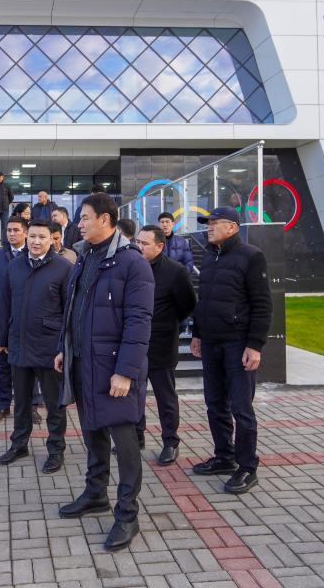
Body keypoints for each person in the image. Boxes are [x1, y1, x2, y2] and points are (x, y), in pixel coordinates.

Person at [55, 193, 154, 552]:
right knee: (93, 432)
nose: (78, 224)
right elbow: (72, 311)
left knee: (124, 443)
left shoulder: (132, 263)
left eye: (84, 217)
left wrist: (125, 372)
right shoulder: (84, 258)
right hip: (84, 364)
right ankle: (96, 494)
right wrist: (64, 349)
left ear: (105, 220)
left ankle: (127, 514)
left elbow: (139, 322)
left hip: (115, 370)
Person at [190, 207, 272, 494]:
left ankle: (247, 467)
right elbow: (203, 299)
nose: (209, 227)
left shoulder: (251, 256)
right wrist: (197, 333)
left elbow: (262, 304)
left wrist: (255, 345)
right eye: (208, 223)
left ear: (233, 227)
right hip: (211, 342)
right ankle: (225, 457)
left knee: (241, 408)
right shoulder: (209, 256)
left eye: (215, 223)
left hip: (238, 344)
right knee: (215, 403)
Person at [0, 219, 71, 474]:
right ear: (26, 238)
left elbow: (69, 312)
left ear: (53, 239)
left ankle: (56, 449)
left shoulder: (63, 267)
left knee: (54, 404)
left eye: (42, 237)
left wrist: (64, 347)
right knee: (22, 402)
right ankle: (19, 445)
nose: (36, 242)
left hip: (50, 349)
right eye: (33, 236)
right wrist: (1, 338)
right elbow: (4, 303)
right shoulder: (15, 265)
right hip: (19, 345)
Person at [133, 225, 197, 465]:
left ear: (160, 246)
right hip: (134, 346)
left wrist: (168, 323)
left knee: (165, 397)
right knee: (134, 395)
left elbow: (187, 304)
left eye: (144, 243)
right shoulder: (131, 266)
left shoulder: (175, 271)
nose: (138, 247)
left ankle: (171, 442)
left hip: (161, 345)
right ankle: (137, 436)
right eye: (137, 242)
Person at [0, 216, 44, 424]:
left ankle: (32, 407)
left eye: (16, 230)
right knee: (3, 367)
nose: (11, 234)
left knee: (30, 367)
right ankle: (3, 405)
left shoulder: (33, 255)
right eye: (8, 230)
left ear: (25, 233)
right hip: (1, 320)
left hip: (26, 320)